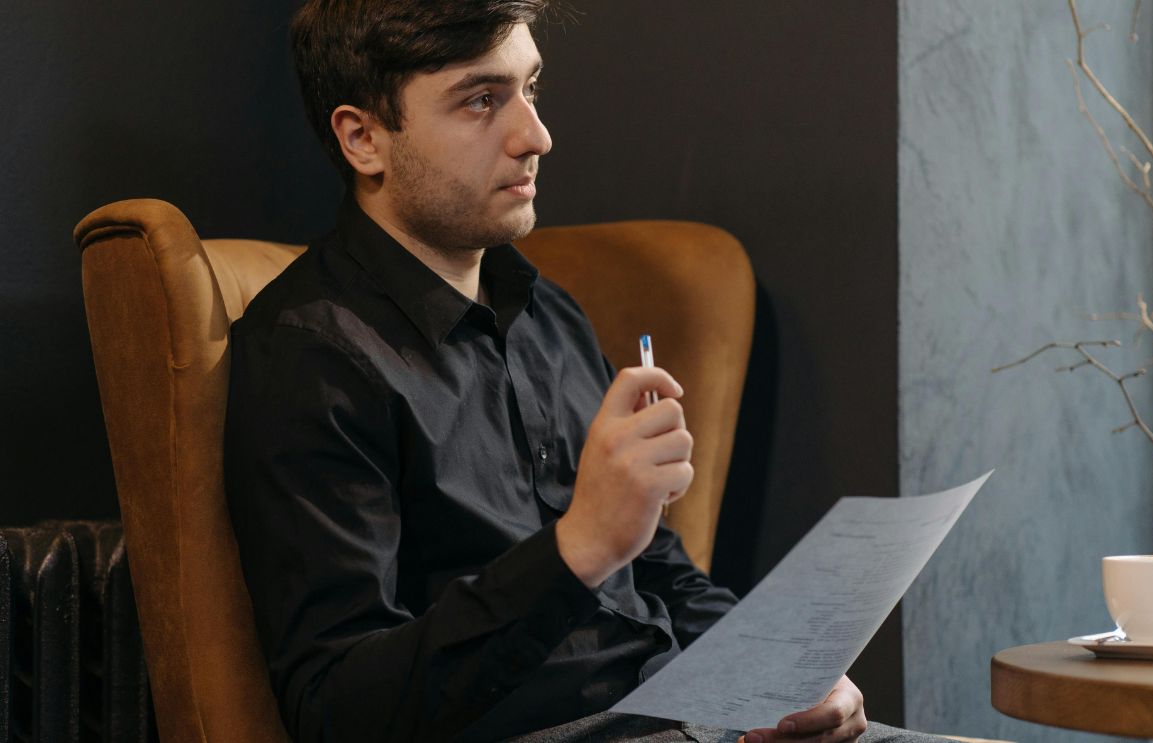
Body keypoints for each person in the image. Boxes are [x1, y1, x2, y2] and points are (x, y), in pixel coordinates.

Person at [224, 2, 949, 741]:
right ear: (363, 137)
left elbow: (659, 564)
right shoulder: (310, 353)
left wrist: (784, 673)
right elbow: (339, 708)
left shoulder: (547, 313)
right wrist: (577, 549)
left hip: (687, 717)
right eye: (480, 100)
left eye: (528, 88)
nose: (534, 136)